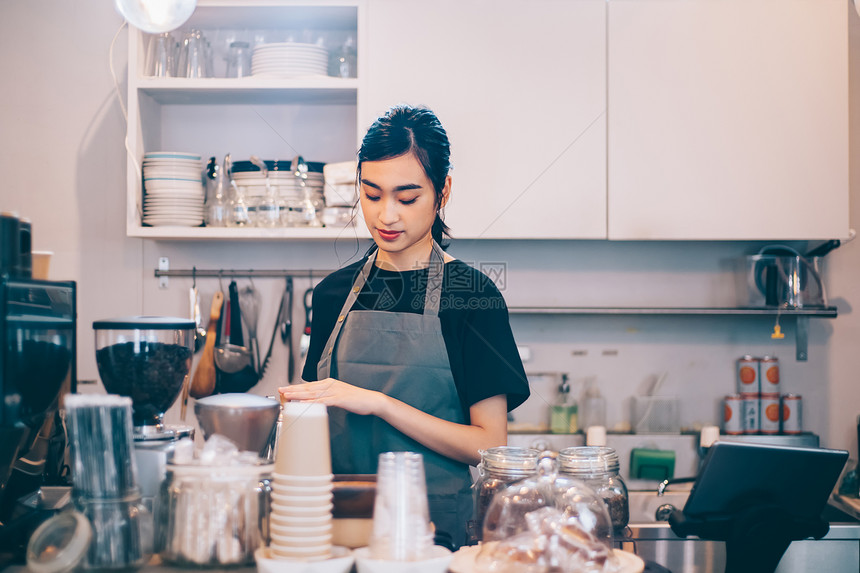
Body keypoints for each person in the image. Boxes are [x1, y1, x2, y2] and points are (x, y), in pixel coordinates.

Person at [279, 105, 529, 549]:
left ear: (443, 191)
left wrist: (379, 404)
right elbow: (313, 418)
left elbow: (488, 446)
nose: (386, 216)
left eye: (407, 197)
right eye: (372, 195)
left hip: (434, 537)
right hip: (334, 531)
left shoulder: (471, 295)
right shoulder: (333, 294)